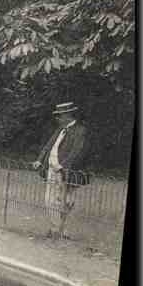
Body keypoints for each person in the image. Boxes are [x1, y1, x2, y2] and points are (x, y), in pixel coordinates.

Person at [32, 102, 90, 240]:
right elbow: (49, 145)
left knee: (67, 201)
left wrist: (63, 166)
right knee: (49, 200)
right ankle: (55, 229)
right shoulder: (60, 129)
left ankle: (60, 230)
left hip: (66, 171)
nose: (57, 118)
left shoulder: (80, 130)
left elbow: (77, 151)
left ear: (67, 115)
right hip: (52, 170)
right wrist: (40, 160)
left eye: (59, 116)